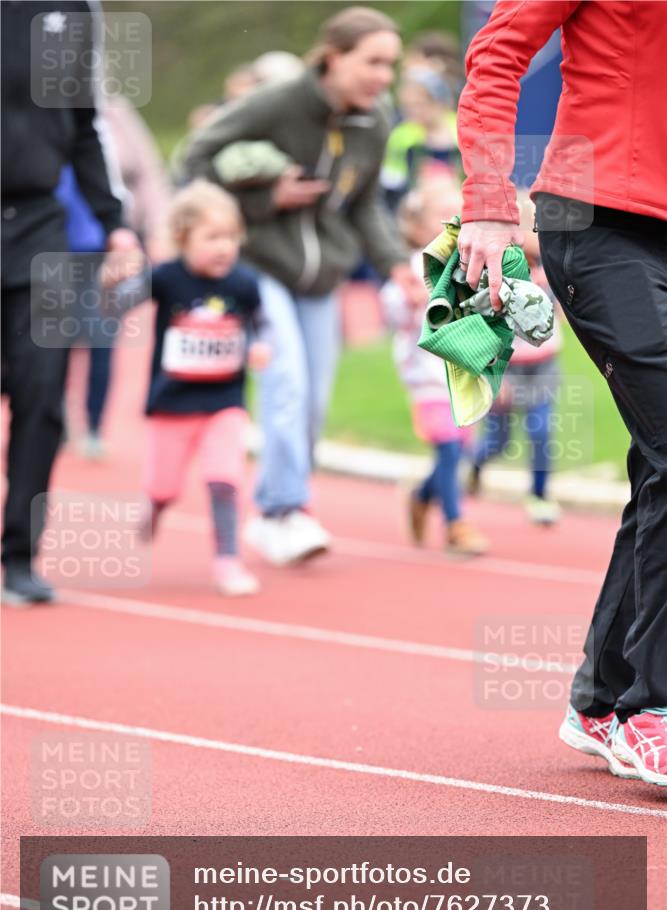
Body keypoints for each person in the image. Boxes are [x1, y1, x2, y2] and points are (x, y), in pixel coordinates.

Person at [456, 0, 667, 785]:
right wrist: (486, 198)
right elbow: (497, 55)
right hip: (597, 217)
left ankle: (601, 697)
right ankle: (653, 710)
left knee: (659, 462)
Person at [182, 6, 423, 567]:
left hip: (324, 275)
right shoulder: (279, 102)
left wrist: (396, 265)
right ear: (333, 57)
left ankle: (285, 507)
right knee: (284, 375)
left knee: (312, 398)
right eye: (373, 62)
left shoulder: (375, 119)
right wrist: (265, 200)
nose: (383, 77)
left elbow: (364, 206)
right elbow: (193, 160)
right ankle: (282, 510)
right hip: (262, 263)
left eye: (391, 65)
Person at [1, 1, 140, 605]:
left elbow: (87, 125)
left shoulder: (73, 10)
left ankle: (18, 556)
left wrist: (116, 222)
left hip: (40, 227)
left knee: (43, 393)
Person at [101, 180, 270, 596]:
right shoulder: (167, 278)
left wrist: (263, 343)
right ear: (182, 239)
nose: (224, 248)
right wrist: (115, 282)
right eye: (212, 238)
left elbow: (261, 320)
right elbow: (117, 304)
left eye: (231, 237)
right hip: (171, 403)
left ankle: (227, 560)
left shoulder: (243, 283)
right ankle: (153, 507)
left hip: (224, 402)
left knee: (224, 478)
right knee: (164, 487)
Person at [59, 95, 172, 460]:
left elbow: (148, 173)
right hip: (52, 246)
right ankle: (53, 414)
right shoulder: (40, 110)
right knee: (52, 338)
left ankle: (94, 425)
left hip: (108, 247)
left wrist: (156, 229)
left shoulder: (115, 112)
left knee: (103, 336)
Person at [383, 182, 488, 556]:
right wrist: (408, 304)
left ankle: (421, 494)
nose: (452, 222)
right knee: (446, 448)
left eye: (457, 214)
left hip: (463, 375)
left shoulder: (470, 263)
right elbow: (391, 307)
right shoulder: (414, 268)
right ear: (415, 226)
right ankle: (456, 524)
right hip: (426, 377)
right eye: (440, 216)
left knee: (459, 452)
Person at [469, 212, 563, 526]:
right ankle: (475, 466)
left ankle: (539, 493)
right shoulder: (493, 276)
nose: (531, 236)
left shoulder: (550, 270)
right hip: (507, 369)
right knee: (498, 442)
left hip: (543, 367)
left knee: (540, 430)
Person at [381, 68, 459, 211]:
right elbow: (392, 181)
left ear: (440, 102)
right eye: (408, 107)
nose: (414, 112)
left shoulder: (460, 130)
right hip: (416, 207)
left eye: (420, 104)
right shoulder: (402, 136)